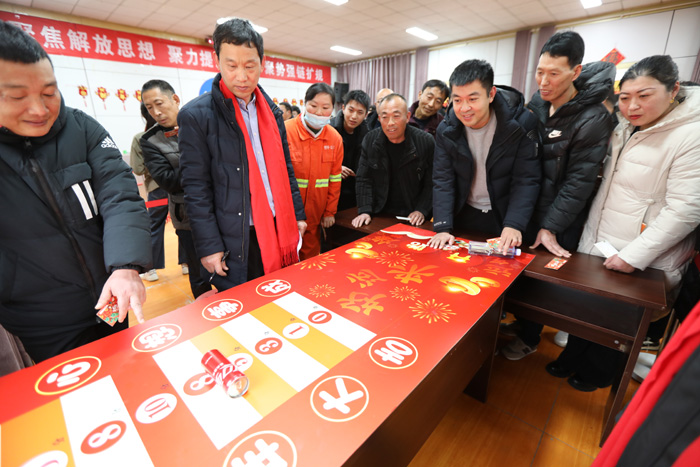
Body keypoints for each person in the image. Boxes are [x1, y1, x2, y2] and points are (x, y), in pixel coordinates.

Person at [546, 56, 700, 392]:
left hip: (644, 251)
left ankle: (597, 374)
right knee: (587, 308)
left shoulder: (691, 134)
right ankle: (573, 357)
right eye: (626, 97)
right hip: (602, 238)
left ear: (673, 89)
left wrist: (634, 256)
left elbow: (686, 209)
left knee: (617, 321)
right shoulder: (624, 127)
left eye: (644, 96)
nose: (632, 106)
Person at [0, 22, 150, 362]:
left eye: (49, 92)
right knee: (71, 388)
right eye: (18, 97)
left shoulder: (81, 128)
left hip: (111, 296)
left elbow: (120, 195)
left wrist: (126, 266)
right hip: (40, 322)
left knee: (126, 368)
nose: (39, 109)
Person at [501, 31, 615, 360]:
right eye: (539, 72)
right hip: (527, 205)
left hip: (559, 215)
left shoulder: (593, 118)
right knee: (518, 273)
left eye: (554, 74)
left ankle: (531, 338)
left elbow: (580, 181)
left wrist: (550, 225)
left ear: (575, 72)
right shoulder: (537, 103)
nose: (544, 81)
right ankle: (521, 323)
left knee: (544, 281)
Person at [177, 18, 306, 292]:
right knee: (245, 304)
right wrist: (209, 246)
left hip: (278, 224)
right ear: (217, 62)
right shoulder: (196, 116)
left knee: (283, 296)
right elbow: (196, 188)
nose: (242, 76)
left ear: (262, 62)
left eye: (249, 66)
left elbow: (285, 169)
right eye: (231, 66)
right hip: (235, 234)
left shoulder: (272, 112)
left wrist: (297, 214)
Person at [427, 60, 540, 256]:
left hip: (504, 214)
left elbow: (526, 178)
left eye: (472, 99)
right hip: (465, 212)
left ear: (491, 94)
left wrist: (514, 223)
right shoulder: (446, 129)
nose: (464, 108)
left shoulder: (520, 124)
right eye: (457, 100)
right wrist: (443, 226)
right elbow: (443, 179)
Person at [140, 79, 211, 298]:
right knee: (199, 272)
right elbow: (169, 181)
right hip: (187, 216)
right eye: (149, 108)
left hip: (221, 208)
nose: (156, 112)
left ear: (175, 99)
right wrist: (198, 157)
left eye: (159, 103)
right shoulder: (150, 140)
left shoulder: (201, 123)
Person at [352, 93, 434, 228]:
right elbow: (364, 178)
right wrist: (365, 210)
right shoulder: (370, 139)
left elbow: (431, 182)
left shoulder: (425, 141)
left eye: (396, 116)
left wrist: (421, 210)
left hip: (412, 213)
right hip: (379, 211)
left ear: (407, 117)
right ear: (379, 118)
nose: (390, 123)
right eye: (385, 117)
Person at [130, 103, 189, 282]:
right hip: (179, 185)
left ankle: (151, 269)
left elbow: (137, 168)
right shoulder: (180, 131)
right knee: (183, 224)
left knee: (155, 227)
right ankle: (186, 263)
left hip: (157, 188)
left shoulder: (141, 138)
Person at [286, 83, 344, 259]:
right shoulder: (286, 131)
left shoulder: (335, 139)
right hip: (287, 213)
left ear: (333, 109)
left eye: (325, 108)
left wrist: (329, 212)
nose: (319, 113)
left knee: (309, 260)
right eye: (313, 106)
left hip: (315, 216)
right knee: (284, 261)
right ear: (305, 103)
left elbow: (335, 179)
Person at [330, 89, 370, 211]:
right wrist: (335, 168)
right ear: (343, 108)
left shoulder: (368, 135)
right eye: (351, 110)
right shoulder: (329, 129)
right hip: (330, 191)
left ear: (366, 115)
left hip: (354, 194)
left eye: (360, 112)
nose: (354, 116)